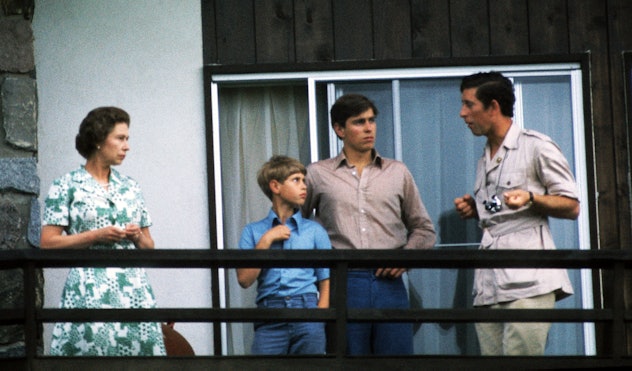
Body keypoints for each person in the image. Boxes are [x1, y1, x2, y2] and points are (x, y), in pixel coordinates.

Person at [454, 72, 580, 356]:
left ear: (493, 107)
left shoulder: (536, 146)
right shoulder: (485, 156)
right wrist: (478, 210)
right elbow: (503, 204)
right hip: (489, 282)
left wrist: (532, 198)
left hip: (528, 279)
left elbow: (572, 205)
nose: (462, 113)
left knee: (521, 362)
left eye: (468, 104)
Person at [302, 94, 436, 355]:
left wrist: (406, 258)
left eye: (372, 120)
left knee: (396, 361)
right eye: (359, 122)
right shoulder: (318, 174)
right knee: (349, 360)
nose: (368, 128)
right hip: (342, 279)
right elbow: (297, 227)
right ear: (339, 129)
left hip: (390, 281)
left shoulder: (397, 172)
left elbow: (424, 228)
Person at [40, 107, 166, 356]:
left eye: (127, 139)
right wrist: (95, 236)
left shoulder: (130, 187)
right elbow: (47, 243)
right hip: (88, 290)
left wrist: (136, 236)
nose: (127, 146)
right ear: (98, 140)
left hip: (133, 291)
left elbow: (149, 246)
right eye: (120, 138)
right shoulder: (66, 185)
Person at [237, 155, 331, 355]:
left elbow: (326, 281)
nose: (304, 186)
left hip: (307, 312)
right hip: (270, 315)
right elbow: (244, 279)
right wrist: (266, 240)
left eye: (304, 181)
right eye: (296, 180)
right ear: (275, 186)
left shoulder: (315, 231)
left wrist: (318, 320)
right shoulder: (253, 231)